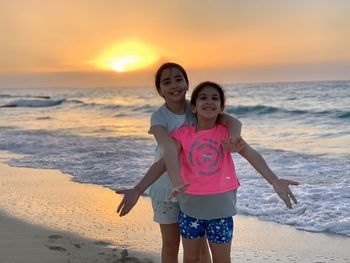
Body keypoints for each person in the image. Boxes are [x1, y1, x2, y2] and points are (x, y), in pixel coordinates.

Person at [116, 63, 243, 263]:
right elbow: (167, 150)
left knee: (200, 247)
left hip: (195, 190)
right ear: (159, 90)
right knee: (170, 245)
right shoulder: (159, 116)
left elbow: (233, 122)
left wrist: (233, 140)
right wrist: (139, 189)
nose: (174, 85)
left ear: (187, 84)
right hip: (166, 188)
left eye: (179, 79)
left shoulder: (197, 106)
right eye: (166, 82)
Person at [165, 81, 299, 262]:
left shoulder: (226, 134)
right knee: (190, 258)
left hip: (221, 209)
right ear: (194, 107)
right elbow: (167, 157)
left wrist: (274, 180)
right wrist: (154, 185)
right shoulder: (183, 134)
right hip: (190, 208)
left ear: (221, 108)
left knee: (222, 260)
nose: (209, 101)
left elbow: (251, 154)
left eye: (215, 98)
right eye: (203, 98)